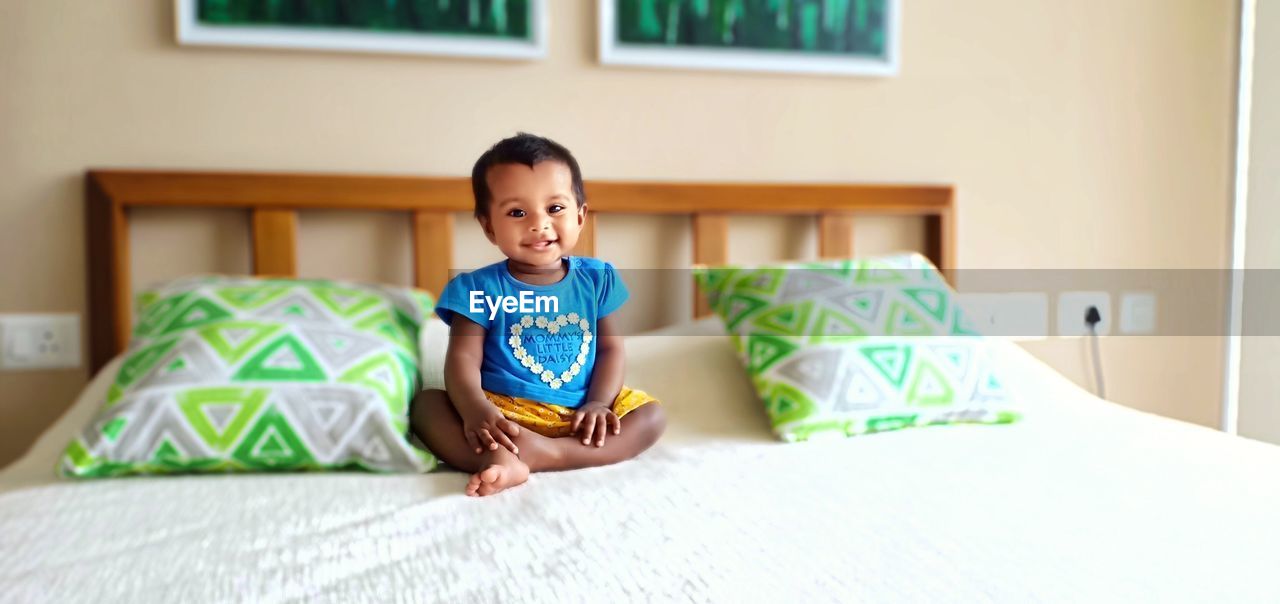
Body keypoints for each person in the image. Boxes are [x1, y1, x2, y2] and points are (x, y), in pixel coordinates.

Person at [409, 133, 666, 497]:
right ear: (488, 226)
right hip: (505, 416)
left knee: (651, 416)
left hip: (580, 416)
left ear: (580, 216)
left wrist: (597, 402)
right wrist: (476, 410)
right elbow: (463, 359)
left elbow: (610, 350)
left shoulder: (596, 279)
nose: (539, 224)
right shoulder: (477, 288)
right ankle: (502, 456)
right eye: (517, 212)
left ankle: (544, 455)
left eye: (555, 209)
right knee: (427, 404)